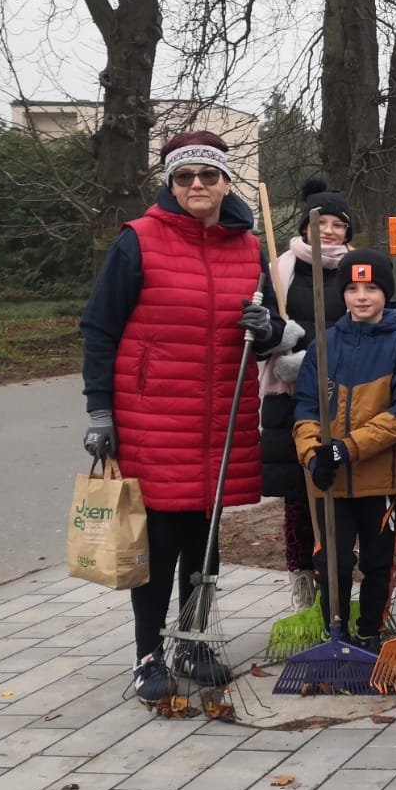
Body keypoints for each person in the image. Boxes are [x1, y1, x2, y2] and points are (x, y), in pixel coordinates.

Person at [80, 131, 284, 700]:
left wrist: (267, 332)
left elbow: (267, 330)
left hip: (221, 419)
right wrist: (100, 410)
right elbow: (99, 328)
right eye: (185, 176)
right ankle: (149, 655)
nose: (197, 185)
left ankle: (192, 640)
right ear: (170, 184)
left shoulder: (248, 247)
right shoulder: (138, 241)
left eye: (209, 175)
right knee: (160, 543)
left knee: (206, 540)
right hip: (153, 419)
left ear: (226, 183)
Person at [292, 248, 396, 653]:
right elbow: (305, 406)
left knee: (377, 562)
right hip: (328, 480)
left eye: (371, 287)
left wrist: (348, 449)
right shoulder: (323, 345)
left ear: (386, 292)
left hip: (380, 478)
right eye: (352, 287)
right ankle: (333, 634)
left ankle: (370, 633)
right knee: (331, 562)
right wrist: (313, 454)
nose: (362, 296)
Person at [258, 178, 348, 613]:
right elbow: (261, 331)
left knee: (340, 488)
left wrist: (309, 349)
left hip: (343, 394)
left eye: (337, 224)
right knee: (298, 493)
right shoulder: (279, 270)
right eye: (320, 222)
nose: (328, 231)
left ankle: (339, 584)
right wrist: (278, 337)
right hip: (289, 395)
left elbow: (363, 325)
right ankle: (303, 586)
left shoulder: (356, 269)